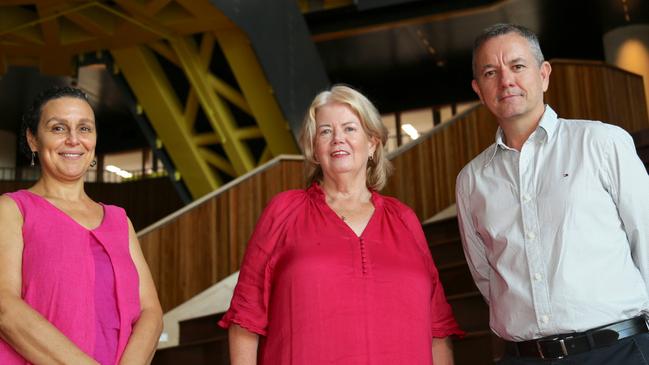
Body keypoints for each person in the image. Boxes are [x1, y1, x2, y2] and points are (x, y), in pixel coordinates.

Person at [219, 85, 463, 364]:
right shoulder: (284, 211)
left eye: (349, 128)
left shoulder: (404, 219)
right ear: (313, 149)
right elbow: (246, 318)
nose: (338, 139)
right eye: (325, 131)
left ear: (372, 143)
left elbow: (438, 328)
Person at [456, 23, 649, 364]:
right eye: (491, 72)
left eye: (517, 66)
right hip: (525, 357)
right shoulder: (471, 180)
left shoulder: (603, 143)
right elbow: (486, 276)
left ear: (543, 75)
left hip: (619, 352)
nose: (506, 81)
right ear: (478, 89)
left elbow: (645, 239)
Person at [0, 86, 163, 364]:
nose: (74, 139)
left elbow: (151, 312)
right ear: (33, 139)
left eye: (85, 129)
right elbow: (5, 306)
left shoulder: (119, 220)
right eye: (58, 128)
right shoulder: (12, 210)